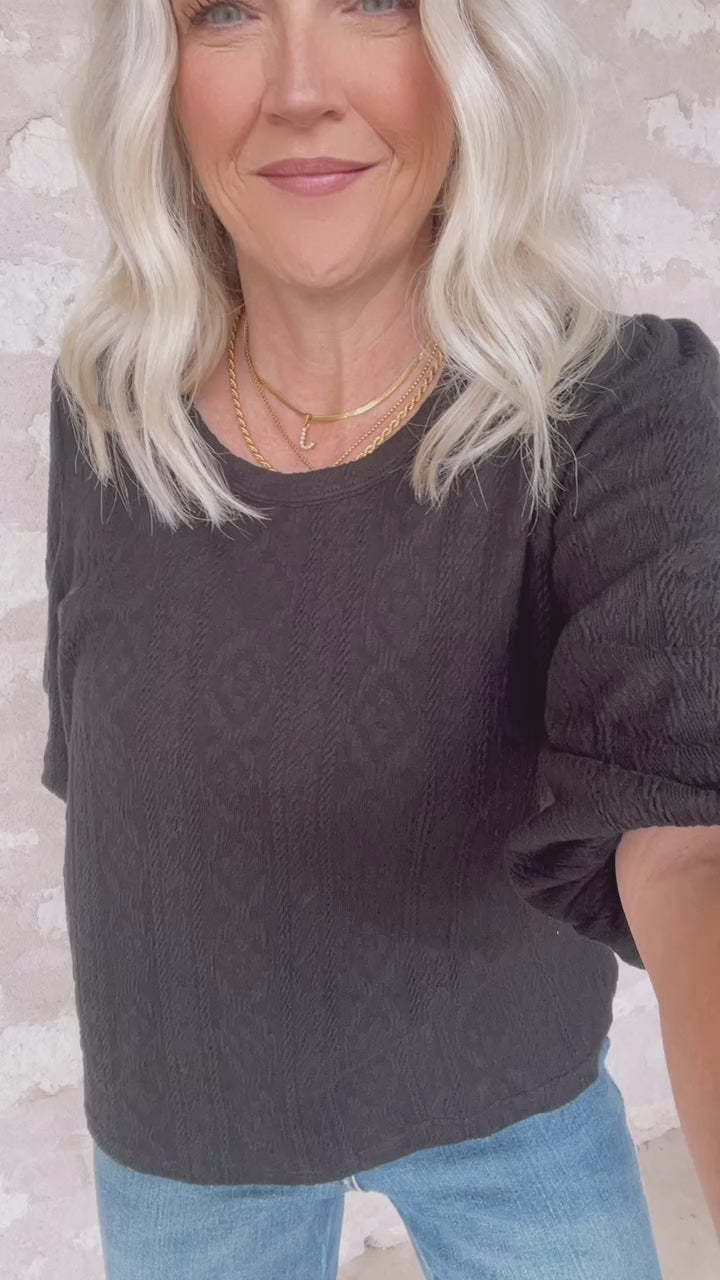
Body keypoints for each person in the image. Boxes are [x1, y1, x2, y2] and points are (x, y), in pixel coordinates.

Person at [42, 0, 720, 1276]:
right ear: (159, 76)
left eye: (375, 2)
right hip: (186, 1118)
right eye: (227, 11)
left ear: (475, 51)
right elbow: (100, 759)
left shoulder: (618, 408)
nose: (301, 88)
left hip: (512, 1092)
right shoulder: (107, 407)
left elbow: (692, 834)